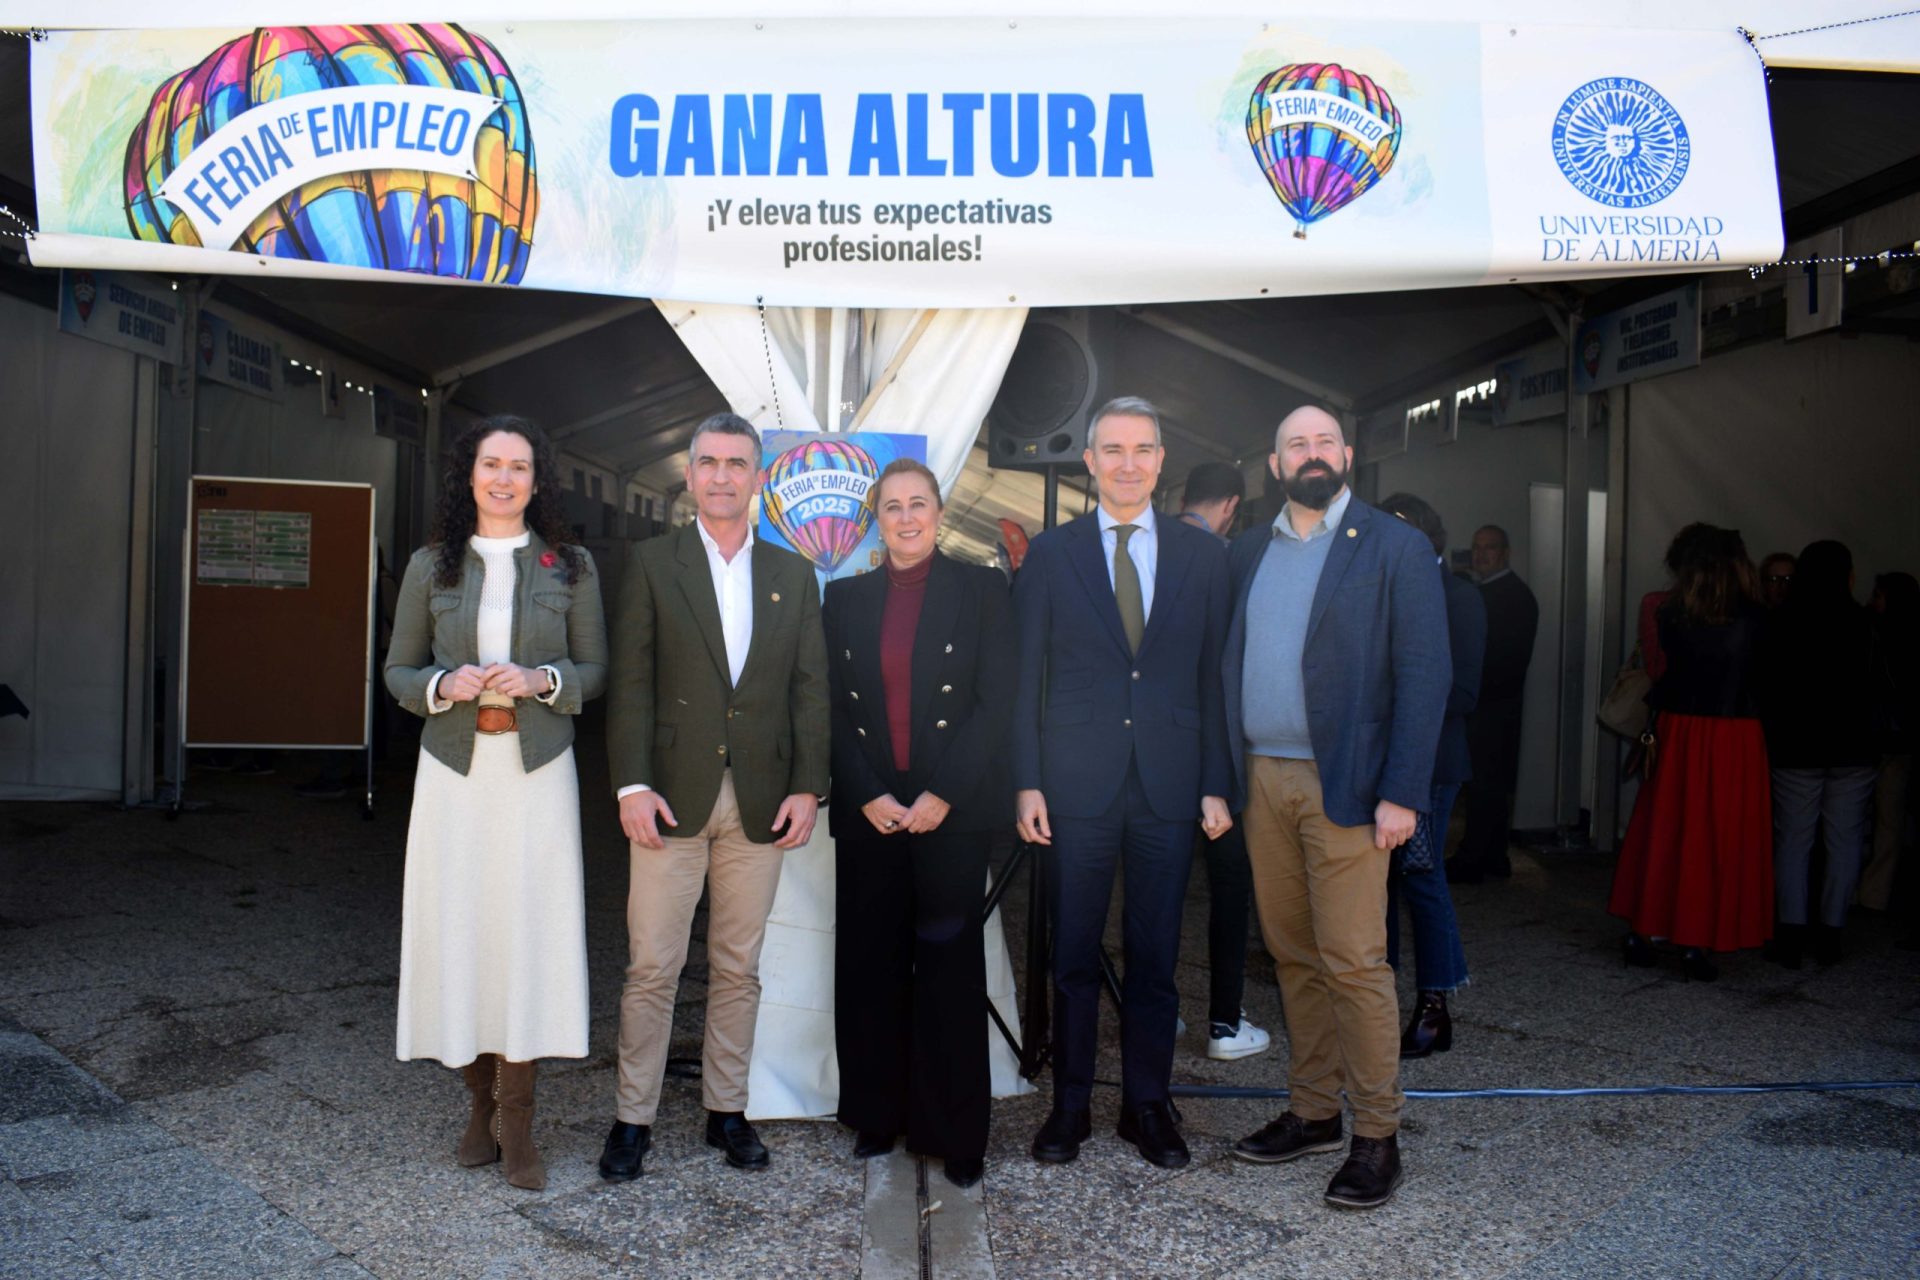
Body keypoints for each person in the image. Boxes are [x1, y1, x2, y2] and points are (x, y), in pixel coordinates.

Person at [1224, 406, 1448, 1211]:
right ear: (1274, 464)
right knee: (1292, 954)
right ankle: (1315, 1111)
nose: (1311, 454)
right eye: (1297, 444)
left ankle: (1377, 1135)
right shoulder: (1249, 550)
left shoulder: (1394, 546)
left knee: (1354, 961)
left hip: (1350, 784)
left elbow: (1425, 672)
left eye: (1324, 441)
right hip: (1263, 779)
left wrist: (1403, 793)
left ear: (1347, 454)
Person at [599, 412, 830, 1181]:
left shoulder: (793, 573)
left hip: (762, 800)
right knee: (652, 967)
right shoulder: (651, 562)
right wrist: (631, 784)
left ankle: (726, 1111)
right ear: (690, 474)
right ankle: (632, 1119)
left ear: (758, 476)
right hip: (668, 798)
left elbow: (810, 688)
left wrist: (808, 785)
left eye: (737, 463)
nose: (723, 476)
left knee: (738, 966)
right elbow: (631, 682)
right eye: (709, 462)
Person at [384, 416, 607, 1192]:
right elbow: (397, 670)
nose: (504, 478)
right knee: (461, 930)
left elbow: (596, 669)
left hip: (537, 772)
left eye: (519, 466)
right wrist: (442, 684)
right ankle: (478, 1105)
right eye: (491, 464)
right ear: (470, 475)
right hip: (454, 773)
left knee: (527, 935)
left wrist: (545, 680)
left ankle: (518, 1119)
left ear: (538, 481)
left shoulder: (570, 565)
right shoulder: (430, 566)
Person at [1013, 396, 1234, 1171]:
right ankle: (1069, 1106)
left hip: (1170, 786)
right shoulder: (1052, 554)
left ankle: (1147, 1106)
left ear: (1162, 461)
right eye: (1113, 450)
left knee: (1155, 957)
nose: (1128, 464)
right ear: (1090, 461)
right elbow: (1025, 677)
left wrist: (1216, 781)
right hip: (1075, 786)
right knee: (1073, 953)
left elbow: (1216, 678)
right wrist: (1027, 781)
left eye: (1143, 450)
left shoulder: (1204, 557)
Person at [823, 458, 1015, 1190]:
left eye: (918, 504)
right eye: (892, 506)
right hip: (871, 808)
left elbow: (996, 702)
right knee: (869, 964)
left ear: (939, 511)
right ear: (877, 520)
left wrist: (945, 793)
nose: (906, 517)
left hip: (950, 812)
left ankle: (955, 1130)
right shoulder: (844, 597)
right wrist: (865, 792)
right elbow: (827, 705)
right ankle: (877, 1115)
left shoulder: (982, 588)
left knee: (949, 971)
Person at [1608, 526, 1772, 981]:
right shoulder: (1758, 617)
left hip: (1679, 730)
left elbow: (1659, 671)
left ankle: (1646, 931)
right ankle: (1697, 939)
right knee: (1719, 836)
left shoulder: (1666, 611)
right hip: (1736, 735)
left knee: (1666, 830)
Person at [1378, 493, 1484, 1059]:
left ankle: (1434, 1007)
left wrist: (1397, 700)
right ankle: (1379, 1005)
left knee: (1421, 875)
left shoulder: (1458, 596)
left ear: (1427, 536)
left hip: (1432, 761)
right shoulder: (1379, 590)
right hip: (1377, 760)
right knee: (1378, 885)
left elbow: (1463, 691)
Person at [1175, 461, 1270, 1061]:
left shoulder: (1150, 549)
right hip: (1224, 749)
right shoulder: (1235, 561)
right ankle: (1225, 1023)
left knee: (1157, 890)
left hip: (1160, 749)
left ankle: (1157, 1011)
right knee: (1230, 887)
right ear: (1232, 505)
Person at [1758, 541, 1886, 967]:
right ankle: (1831, 933)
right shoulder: (1864, 622)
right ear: (1846, 575)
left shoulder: (1782, 621)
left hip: (1797, 748)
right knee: (1845, 842)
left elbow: (1769, 686)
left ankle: (1791, 934)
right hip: (1854, 749)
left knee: (1793, 841)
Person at [1447, 525, 1537, 884]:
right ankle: (1493, 856)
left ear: (1506, 553)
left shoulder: (1511, 597)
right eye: (1477, 547)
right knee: (1490, 785)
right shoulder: (1495, 593)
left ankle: (1474, 858)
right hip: (1493, 703)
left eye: (1490, 548)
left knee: (1484, 784)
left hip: (1491, 705)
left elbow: (1502, 659)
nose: (1481, 554)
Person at [1860, 571, 1919, 915]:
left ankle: (1871, 892)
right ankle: (1874, 892)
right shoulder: (1888, 635)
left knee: (1884, 818)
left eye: (1879, 595)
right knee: (1887, 819)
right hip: (1896, 738)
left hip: (1887, 739)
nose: (1872, 601)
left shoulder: (1877, 635)